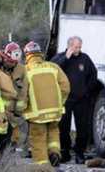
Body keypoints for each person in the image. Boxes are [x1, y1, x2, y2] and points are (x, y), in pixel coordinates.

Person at [51, 36, 98, 164]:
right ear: (69, 46)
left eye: (79, 47)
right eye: (76, 47)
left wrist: (86, 90)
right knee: (63, 127)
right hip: (65, 99)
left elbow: (93, 75)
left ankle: (79, 153)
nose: (78, 49)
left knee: (82, 127)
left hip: (81, 100)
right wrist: (66, 57)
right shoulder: (60, 57)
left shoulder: (85, 58)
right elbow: (52, 70)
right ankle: (65, 151)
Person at [23, 41, 70, 169]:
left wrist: (22, 108)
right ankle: (54, 153)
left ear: (27, 55)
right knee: (53, 134)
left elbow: (23, 93)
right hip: (55, 112)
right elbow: (65, 87)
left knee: (38, 141)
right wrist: (60, 103)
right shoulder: (53, 67)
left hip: (36, 115)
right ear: (40, 54)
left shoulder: (25, 70)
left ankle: (43, 168)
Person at [0, 42, 28, 155]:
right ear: (5, 56)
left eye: (14, 62)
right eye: (9, 62)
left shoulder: (21, 69)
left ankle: (3, 163)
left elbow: (22, 92)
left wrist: (18, 112)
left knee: (7, 140)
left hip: (10, 113)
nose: (12, 64)